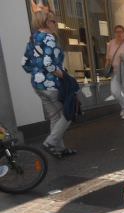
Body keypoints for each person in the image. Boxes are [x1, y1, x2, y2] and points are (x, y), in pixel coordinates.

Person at [21, 10, 76, 159]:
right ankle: (50, 143)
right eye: (53, 21)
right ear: (46, 22)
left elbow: (24, 64)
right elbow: (48, 63)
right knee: (67, 114)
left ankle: (59, 149)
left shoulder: (32, 39)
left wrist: (37, 73)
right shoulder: (49, 38)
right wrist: (63, 75)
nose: (56, 24)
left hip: (38, 86)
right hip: (52, 85)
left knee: (55, 118)